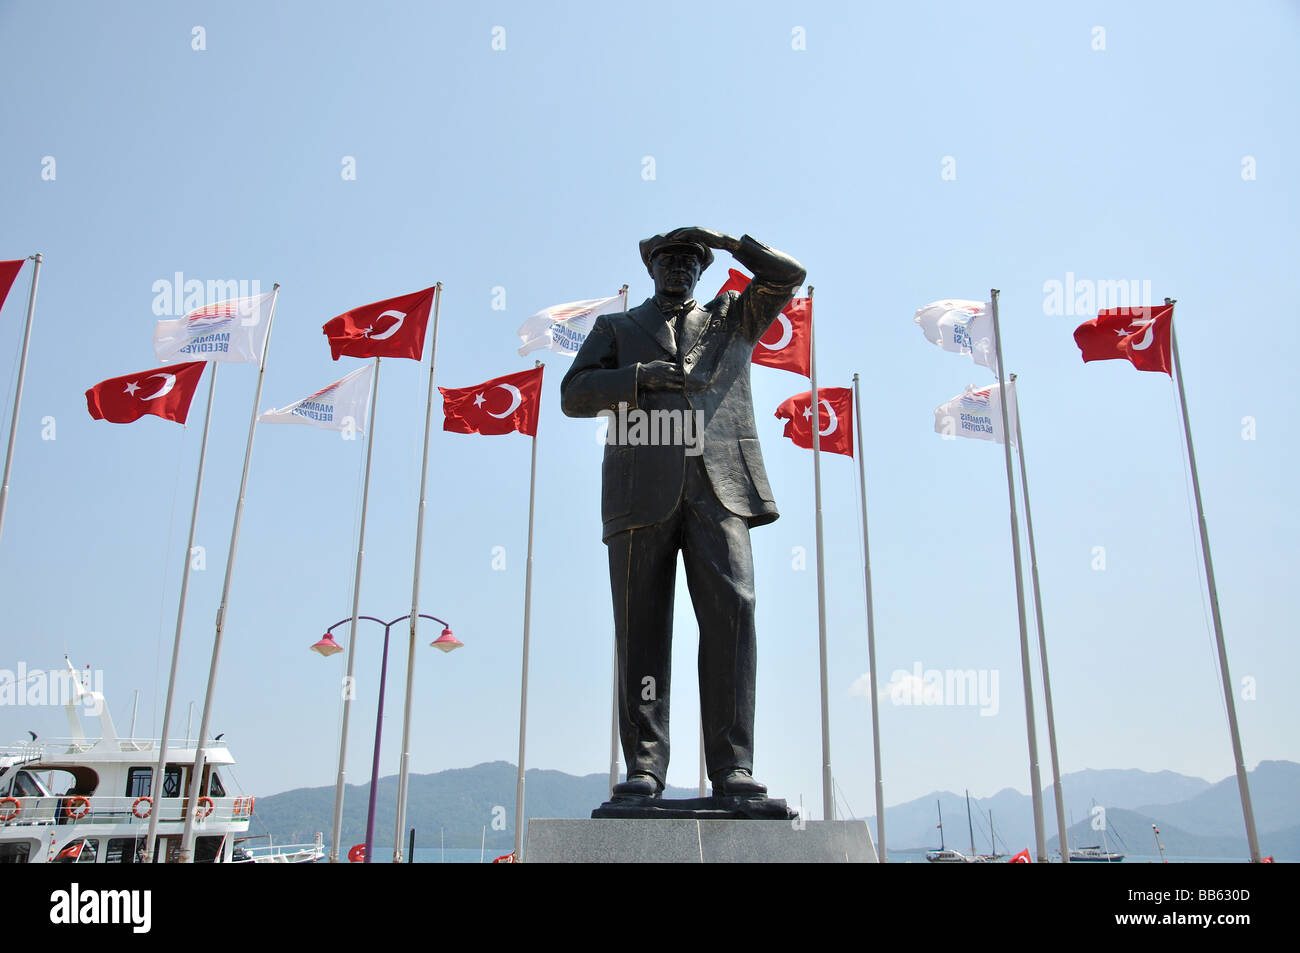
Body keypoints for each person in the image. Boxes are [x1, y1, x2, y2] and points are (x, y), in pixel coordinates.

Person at [560, 226, 806, 798]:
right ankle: (645, 765)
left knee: (734, 618)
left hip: (720, 489)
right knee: (641, 628)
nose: (677, 269)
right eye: (667, 260)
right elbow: (574, 395)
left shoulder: (734, 317)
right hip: (639, 489)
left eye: (689, 260)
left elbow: (788, 276)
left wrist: (726, 240)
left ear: (702, 268)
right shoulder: (617, 328)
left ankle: (732, 767)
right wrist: (638, 379)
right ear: (651, 269)